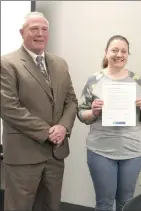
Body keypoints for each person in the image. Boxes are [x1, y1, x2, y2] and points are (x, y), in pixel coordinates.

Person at [0, 11, 78, 210]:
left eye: (44, 29)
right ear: (22, 32)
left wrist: (63, 127)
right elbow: (8, 107)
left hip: (55, 154)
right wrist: (47, 132)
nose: (40, 34)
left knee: (50, 206)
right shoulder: (7, 64)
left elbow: (71, 101)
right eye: (34, 29)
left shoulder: (60, 63)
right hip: (23, 155)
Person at [77, 35, 141, 211]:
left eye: (123, 51)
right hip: (101, 150)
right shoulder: (94, 80)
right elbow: (81, 113)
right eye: (114, 50)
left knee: (126, 202)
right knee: (104, 203)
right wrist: (93, 112)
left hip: (132, 151)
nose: (119, 54)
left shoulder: (138, 80)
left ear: (128, 54)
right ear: (106, 53)